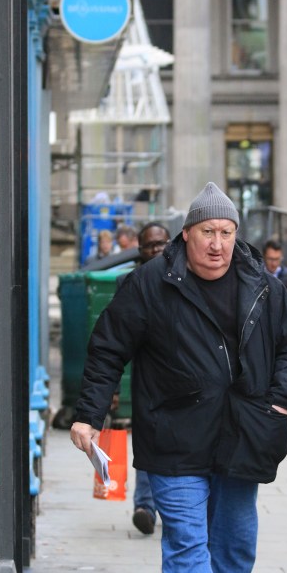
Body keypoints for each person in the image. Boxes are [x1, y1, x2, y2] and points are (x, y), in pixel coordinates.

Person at [71, 181, 287, 573]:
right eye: (207, 232)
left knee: (236, 540)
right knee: (186, 537)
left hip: (244, 432)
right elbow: (108, 348)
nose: (217, 243)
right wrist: (88, 415)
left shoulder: (262, 283)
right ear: (188, 235)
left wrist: (281, 399)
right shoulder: (152, 284)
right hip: (174, 433)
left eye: (226, 232)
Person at [118, 222, 171, 536]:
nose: (156, 250)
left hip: (182, 383)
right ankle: (144, 506)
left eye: (161, 244)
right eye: (150, 245)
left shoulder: (186, 278)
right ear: (139, 250)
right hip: (146, 381)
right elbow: (113, 343)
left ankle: (172, 504)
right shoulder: (130, 283)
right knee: (147, 442)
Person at [263, 238, 287, 311]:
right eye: (271, 259)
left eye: (277, 259)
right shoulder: (258, 275)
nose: (274, 263)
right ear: (264, 257)